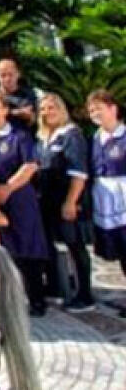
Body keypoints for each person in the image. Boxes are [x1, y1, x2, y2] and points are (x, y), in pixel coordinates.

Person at [0, 90, 49, 316]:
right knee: (0, 249)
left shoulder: (20, 136)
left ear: (6, 110)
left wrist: (7, 188)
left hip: (19, 196)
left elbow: (30, 166)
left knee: (26, 246)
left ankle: (36, 299)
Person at [36, 93, 94, 312]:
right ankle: (57, 288)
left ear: (61, 109)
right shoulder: (43, 137)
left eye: (52, 107)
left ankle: (85, 295)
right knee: (51, 243)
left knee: (75, 245)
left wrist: (71, 201)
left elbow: (78, 172)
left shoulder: (72, 135)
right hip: (47, 200)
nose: (47, 112)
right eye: (43, 108)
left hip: (67, 199)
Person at [87, 89, 126, 312]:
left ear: (113, 108)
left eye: (99, 109)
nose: (95, 114)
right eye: (92, 111)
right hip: (105, 200)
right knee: (121, 250)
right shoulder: (95, 138)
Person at [0, 59, 38, 129]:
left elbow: (37, 118)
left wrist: (30, 117)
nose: (7, 79)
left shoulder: (29, 94)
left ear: (18, 74)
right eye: (3, 75)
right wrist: (14, 113)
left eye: (10, 74)